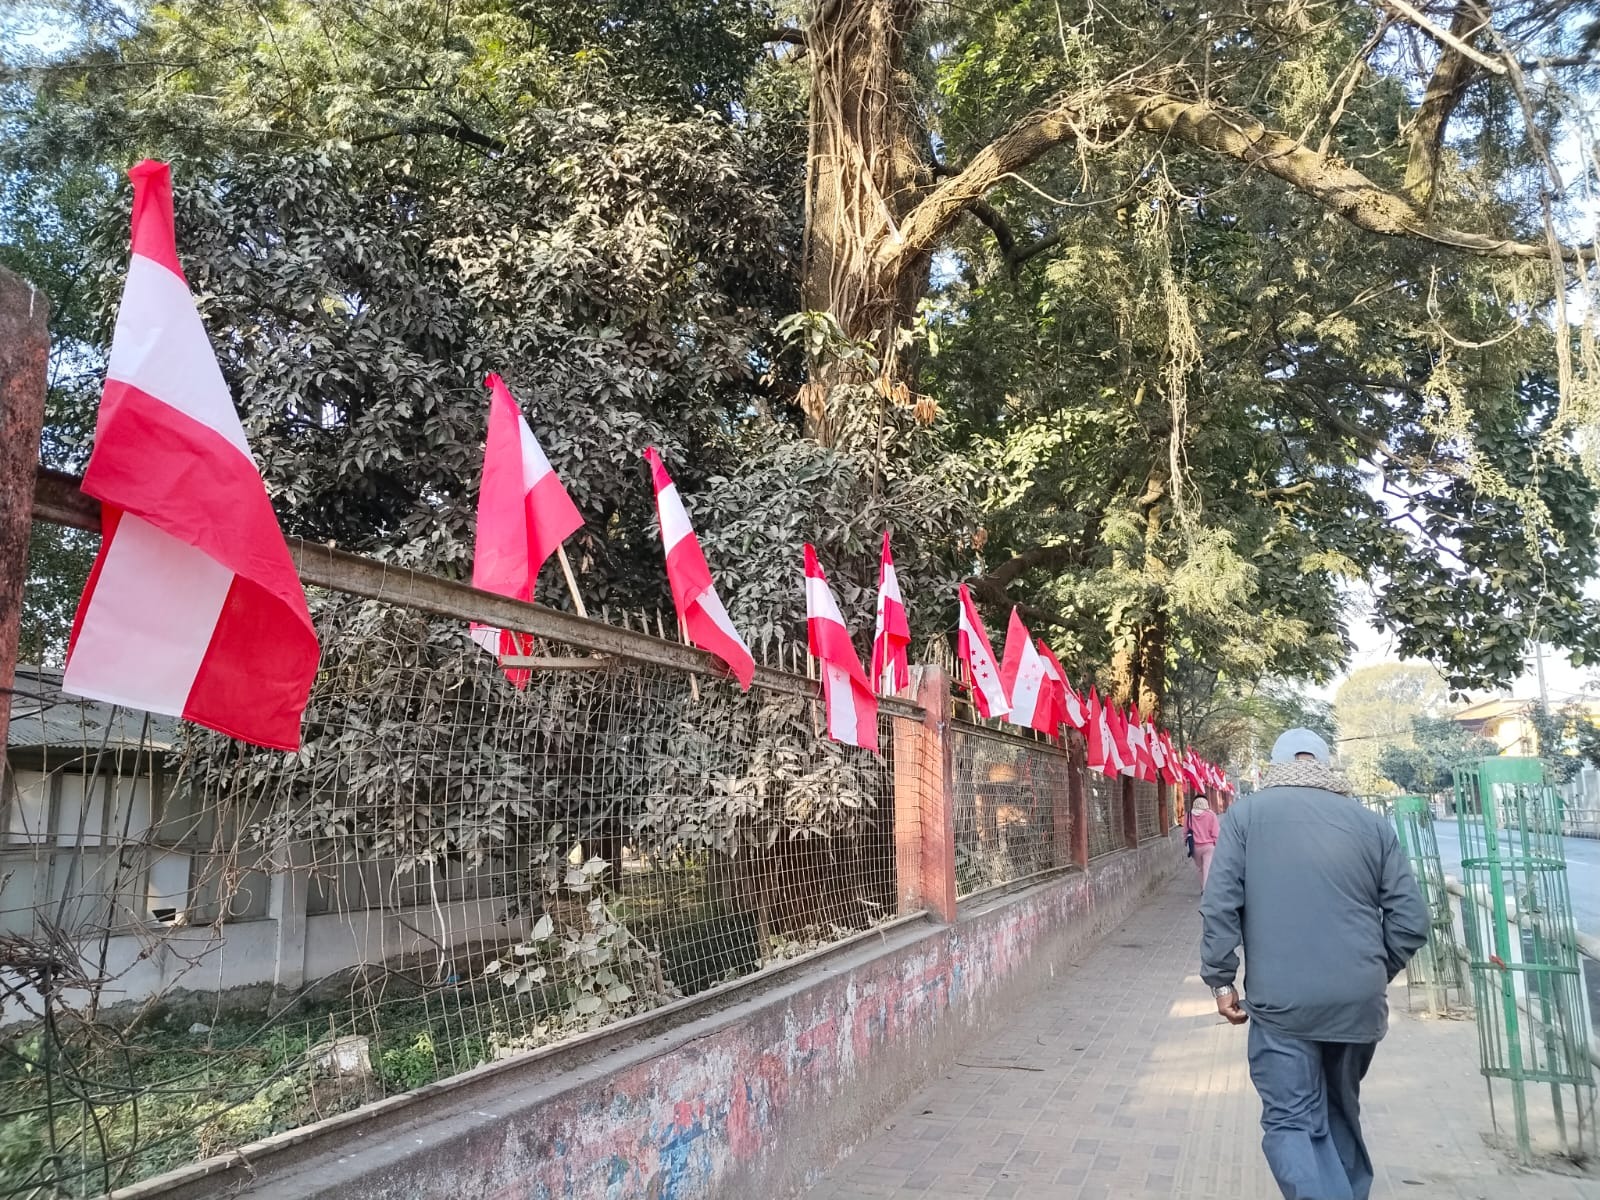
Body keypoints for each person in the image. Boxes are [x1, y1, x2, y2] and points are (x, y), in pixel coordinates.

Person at [1199, 728, 1428, 1200]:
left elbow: (1220, 905)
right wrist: (1368, 974)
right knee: (1341, 1113)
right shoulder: (1372, 825)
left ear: (1274, 764)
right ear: (1325, 765)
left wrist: (1221, 982)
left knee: (1291, 1120)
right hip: (1358, 1006)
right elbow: (1411, 921)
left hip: (1283, 1007)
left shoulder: (1244, 817)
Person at [1188, 795, 1220, 889]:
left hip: (1195, 847)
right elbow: (1216, 832)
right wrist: (1217, 844)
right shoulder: (1211, 815)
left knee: (1200, 868)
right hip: (1209, 847)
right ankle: (1205, 890)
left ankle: (1203, 886)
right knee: (1207, 868)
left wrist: (1185, 843)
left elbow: (1186, 831)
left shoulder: (1189, 815)